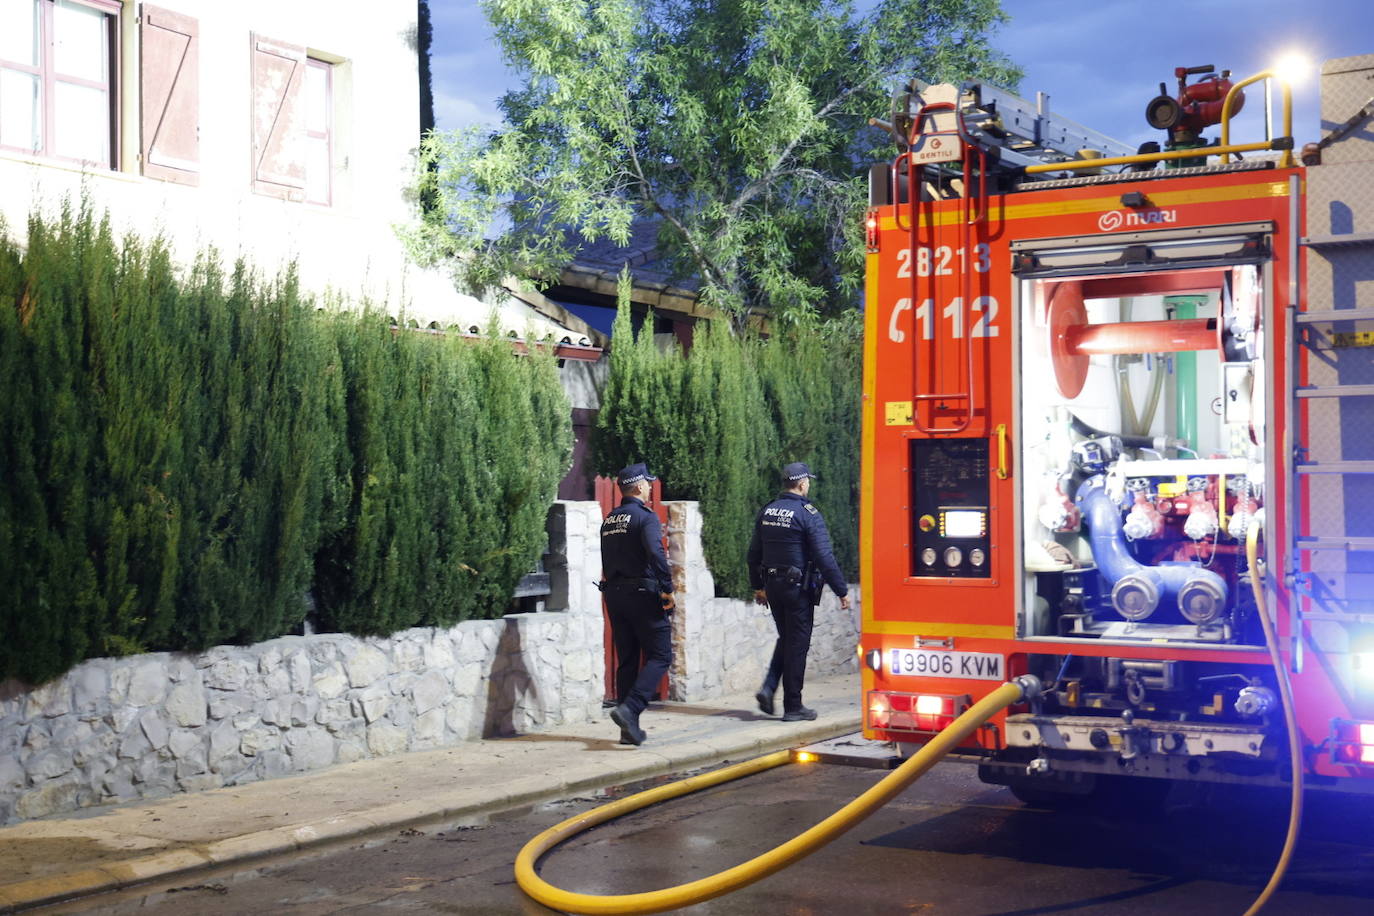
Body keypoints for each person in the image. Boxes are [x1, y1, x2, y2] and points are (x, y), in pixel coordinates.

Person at [747, 462, 850, 722]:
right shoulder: (808, 513)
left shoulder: (767, 510)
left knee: (787, 638)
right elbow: (824, 556)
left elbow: (753, 554)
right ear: (803, 484)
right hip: (796, 589)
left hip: (772, 586)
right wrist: (841, 590)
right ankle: (794, 706)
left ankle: (769, 688)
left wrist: (757, 587)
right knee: (797, 645)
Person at [599, 463, 675, 745]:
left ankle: (627, 732)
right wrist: (667, 588)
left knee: (628, 659)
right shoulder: (646, 517)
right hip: (642, 593)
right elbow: (656, 553)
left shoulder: (610, 519)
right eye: (648, 483)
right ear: (640, 486)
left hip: (615, 595)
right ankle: (630, 709)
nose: (650, 487)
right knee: (661, 655)